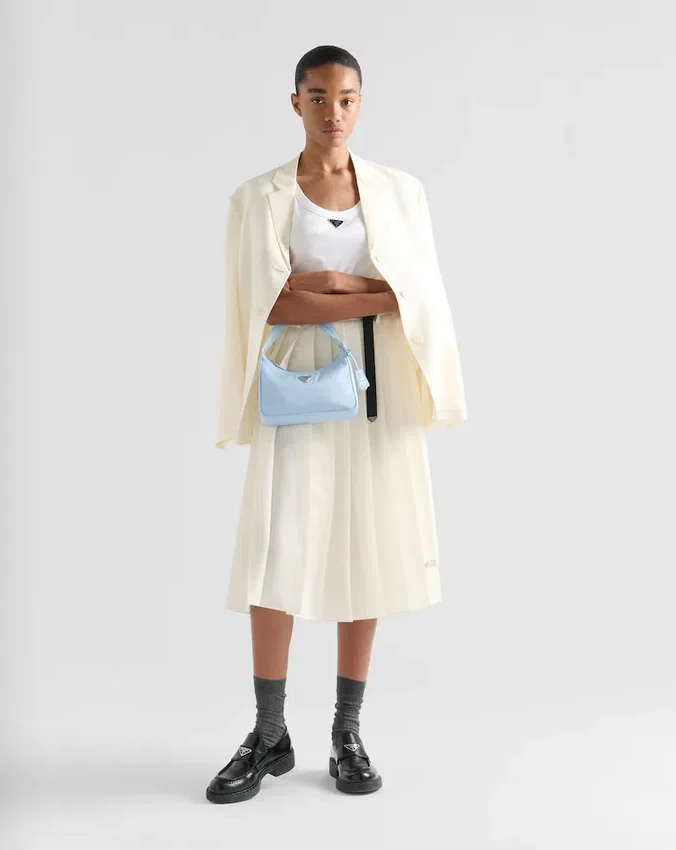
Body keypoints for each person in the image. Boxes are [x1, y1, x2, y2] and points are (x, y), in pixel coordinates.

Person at [206, 45, 467, 804]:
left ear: (361, 101)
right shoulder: (259, 198)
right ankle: (268, 732)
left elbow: (417, 297)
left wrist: (324, 282)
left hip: (376, 393)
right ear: (296, 103)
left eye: (346, 98)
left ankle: (346, 732)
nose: (333, 112)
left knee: (367, 550)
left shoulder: (400, 192)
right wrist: (359, 290)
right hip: (295, 386)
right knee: (273, 552)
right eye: (318, 97)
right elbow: (269, 304)